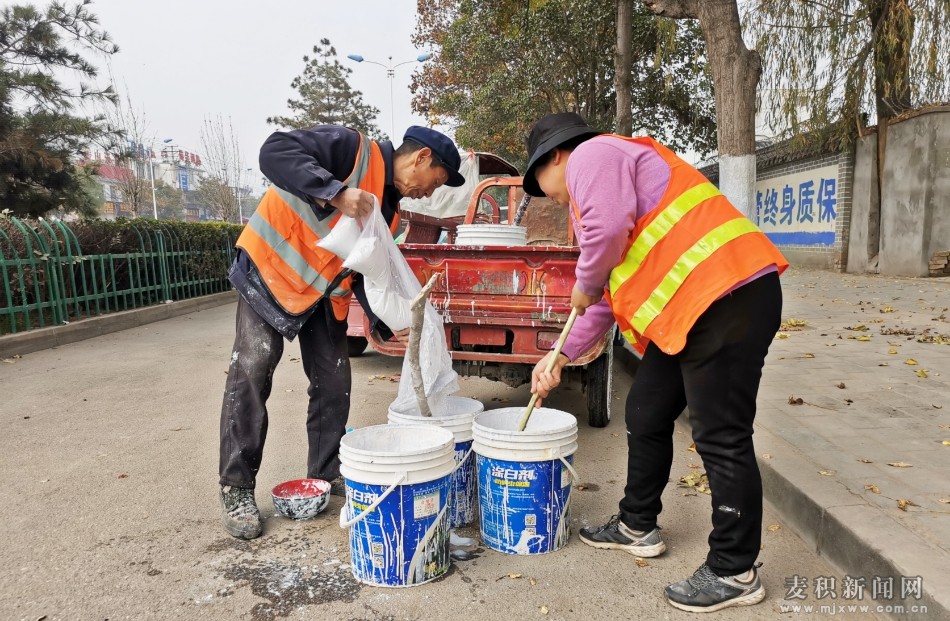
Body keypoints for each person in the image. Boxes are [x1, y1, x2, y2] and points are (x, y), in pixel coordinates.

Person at [525, 112, 787, 613]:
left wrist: (584, 280)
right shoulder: (604, 190)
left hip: (728, 295)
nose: (550, 198)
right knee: (645, 410)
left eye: (541, 184)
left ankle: (734, 570)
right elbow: (599, 302)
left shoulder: (593, 155)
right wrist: (558, 356)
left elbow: (599, 251)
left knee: (721, 434)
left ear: (555, 157)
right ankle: (636, 524)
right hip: (689, 312)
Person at [218, 124, 465, 540]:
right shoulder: (352, 150)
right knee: (252, 371)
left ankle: (326, 471)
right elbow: (274, 151)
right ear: (421, 158)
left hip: (322, 294)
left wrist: (386, 325)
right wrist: (335, 192)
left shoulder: (391, 213)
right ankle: (236, 486)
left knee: (334, 382)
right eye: (435, 182)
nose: (429, 193)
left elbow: (366, 272)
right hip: (271, 268)